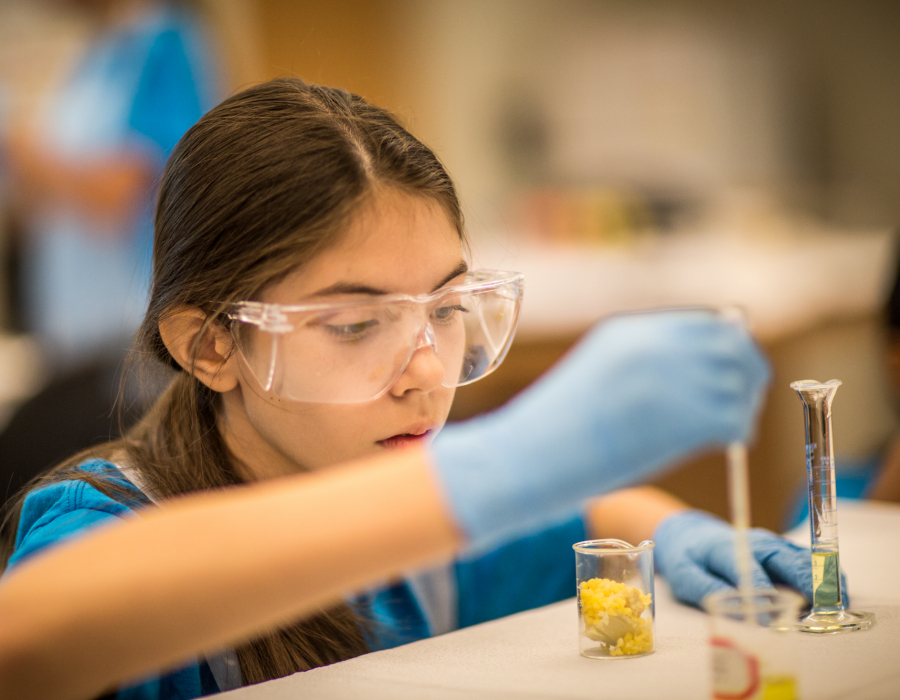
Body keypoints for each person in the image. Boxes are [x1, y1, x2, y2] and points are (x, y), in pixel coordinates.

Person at [0, 79, 818, 700]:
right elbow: (26, 640)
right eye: (356, 326)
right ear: (211, 346)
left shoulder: (397, 518)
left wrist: (674, 531)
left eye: (449, 309)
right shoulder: (102, 518)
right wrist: (493, 467)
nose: (427, 371)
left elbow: (592, 518)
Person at [0, 0, 220, 499]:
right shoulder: (93, 57)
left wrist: (15, 143)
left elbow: (124, 191)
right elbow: (50, 198)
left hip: (131, 343)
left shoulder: (165, 45)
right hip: (72, 344)